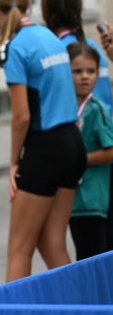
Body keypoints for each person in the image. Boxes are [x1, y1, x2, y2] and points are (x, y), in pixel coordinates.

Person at [0, 0, 86, 281]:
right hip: (72, 144)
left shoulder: (16, 47)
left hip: (45, 148)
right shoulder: (49, 37)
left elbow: (22, 117)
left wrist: (14, 162)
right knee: (53, 244)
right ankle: (79, 304)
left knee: (19, 248)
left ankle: (14, 307)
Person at [66, 43, 113, 260]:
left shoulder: (97, 110)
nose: (84, 76)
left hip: (93, 202)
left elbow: (110, 151)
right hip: (73, 201)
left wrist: (80, 160)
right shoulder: (65, 109)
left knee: (92, 260)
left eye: (91, 71)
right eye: (77, 71)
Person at [41, 0, 113, 113]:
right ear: (80, 9)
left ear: (45, 13)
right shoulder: (95, 48)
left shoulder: (54, 53)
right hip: (106, 123)